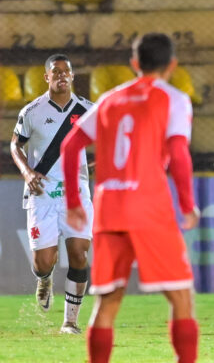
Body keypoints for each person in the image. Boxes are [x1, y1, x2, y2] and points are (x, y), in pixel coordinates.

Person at [62, 33, 200, 363]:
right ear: (172, 65)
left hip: (109, 208)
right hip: (149, 205)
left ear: (134, 63)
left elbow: (70, 146)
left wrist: (73, 204)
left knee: (107, 301)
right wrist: (186, 204)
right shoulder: (174, 98)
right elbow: (179, 153)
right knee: (181, 297)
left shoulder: (109, 99)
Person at [10, 54, 93, 334]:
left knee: (79, 253)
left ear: (72, 76)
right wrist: (27, 172)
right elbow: (15, 145)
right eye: (55, 71)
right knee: (43, 262)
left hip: (76, 193)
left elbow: (109, 140)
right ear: (46, 77)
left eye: (65, 71)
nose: (61, 75)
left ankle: (70, 322)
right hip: (42, 193)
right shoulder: (31, 111)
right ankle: (44, 279)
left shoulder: (88, 110)